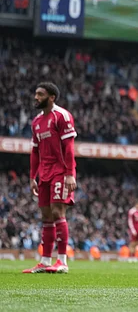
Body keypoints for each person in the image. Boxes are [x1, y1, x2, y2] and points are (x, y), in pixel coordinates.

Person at [24, 82, 77, 274]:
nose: (36, 97)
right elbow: (35, 152)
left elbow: (69, 147)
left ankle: (62, 261)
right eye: (36, 94)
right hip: (44, 174)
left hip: (61, 171)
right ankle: (46, 261)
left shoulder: (62, 116)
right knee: (46, 216)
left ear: (51, 97)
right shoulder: (36, 122)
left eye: (40, 94)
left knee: (57, 212)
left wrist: (70, 174)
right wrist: (32, 177)